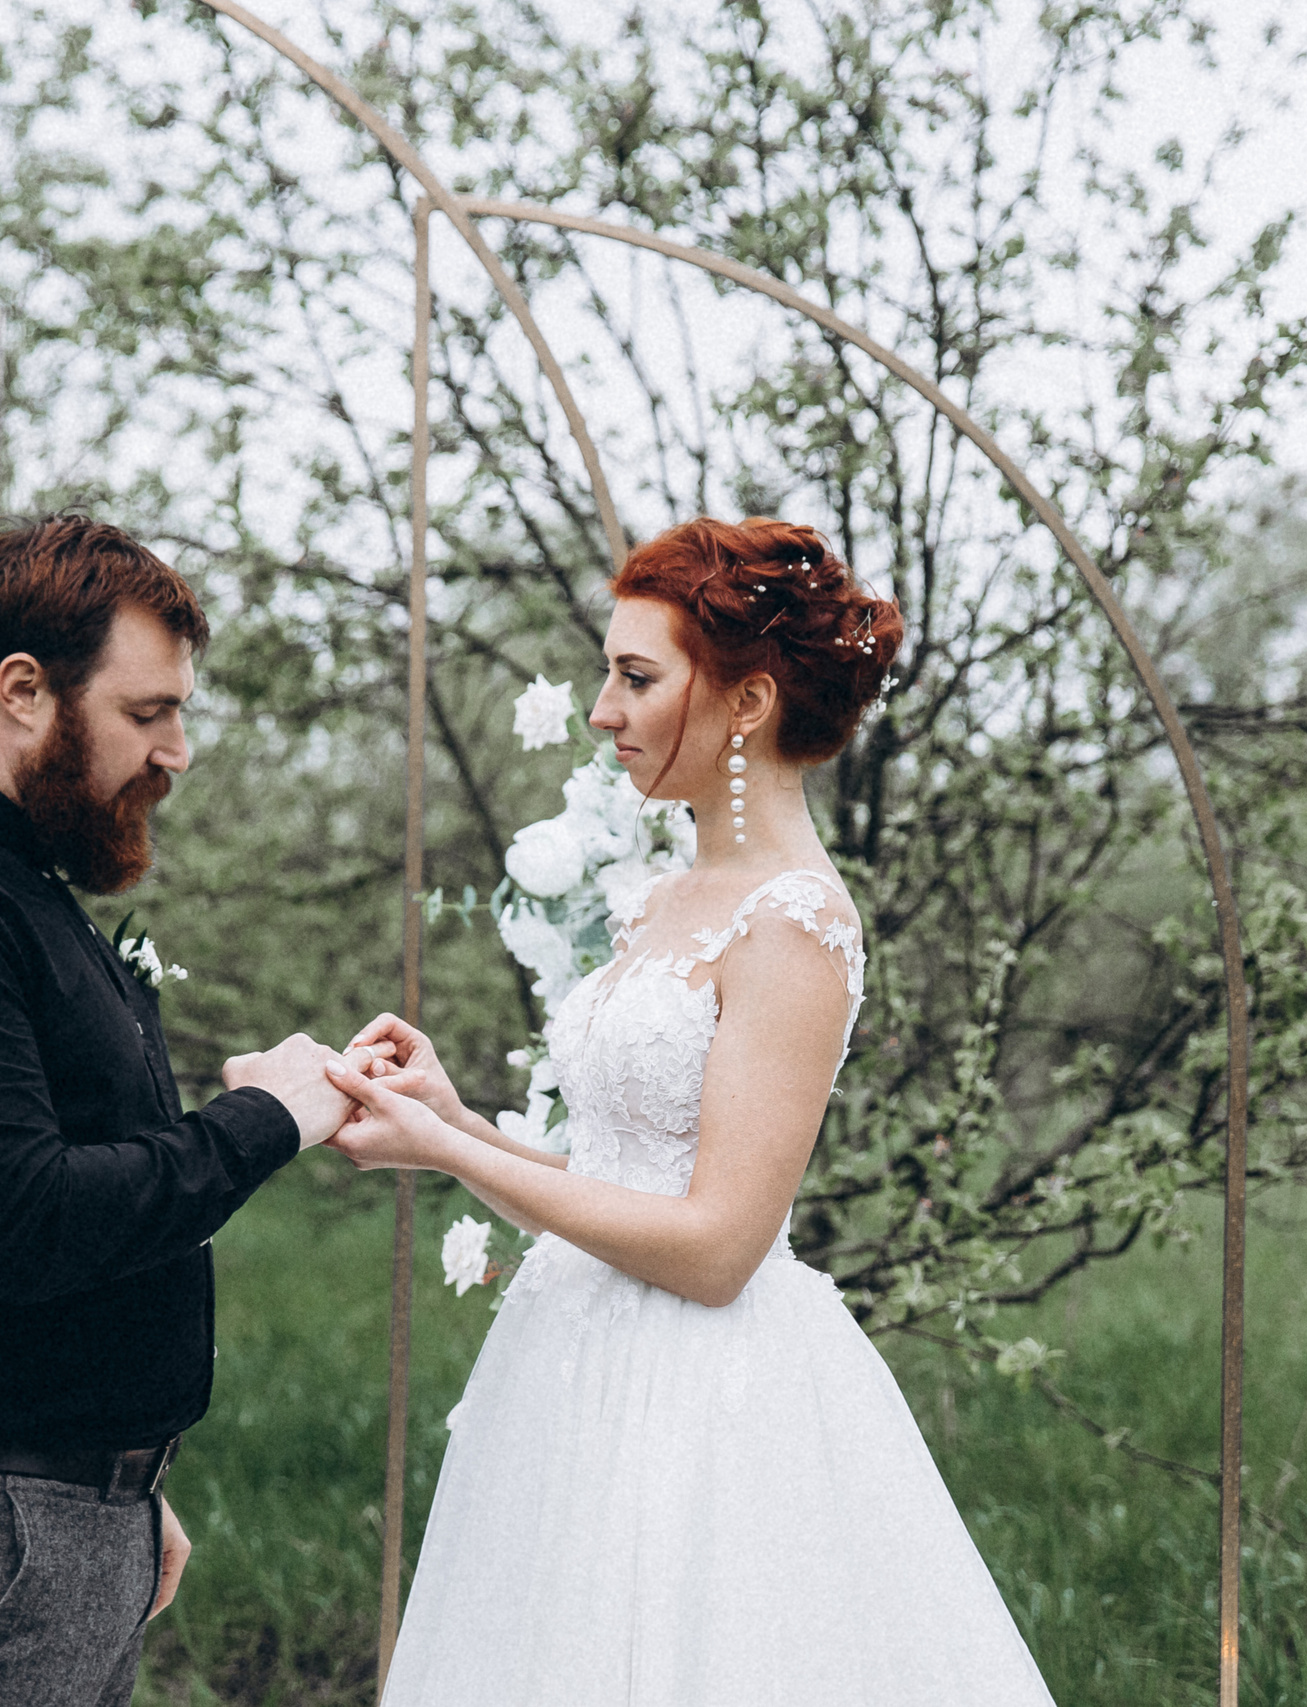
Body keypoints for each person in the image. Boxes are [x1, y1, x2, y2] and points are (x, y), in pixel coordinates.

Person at [328, 517, 1058, 1703]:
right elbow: (617, 1180)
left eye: (635, 677)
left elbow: (717, 1248)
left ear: (747, 702)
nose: (600, 712)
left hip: (700, 1401)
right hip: (567, 1372)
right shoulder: (663, 899)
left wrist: (447, 1151)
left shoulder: (794, 923)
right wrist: (450, 1125)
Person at [0, 516, 364, 1706]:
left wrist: (119, 1486)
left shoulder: (4, 876)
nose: (177, 751)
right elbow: (30, 1224)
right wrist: (266, 1119)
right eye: (148, 713)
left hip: (30, 1511)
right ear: (23, 690)